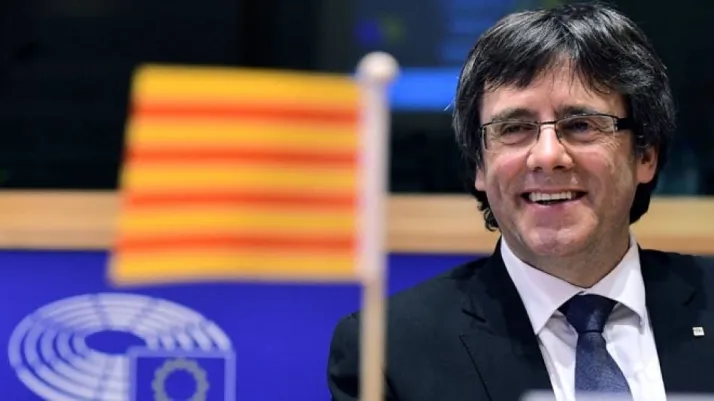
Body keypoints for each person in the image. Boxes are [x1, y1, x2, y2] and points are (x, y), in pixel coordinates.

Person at [327, 3, 714, 401]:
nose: (547, 155)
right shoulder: (387, 352)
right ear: (479, 164)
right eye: (513, 128)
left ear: (645, 155)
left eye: (581, 125)